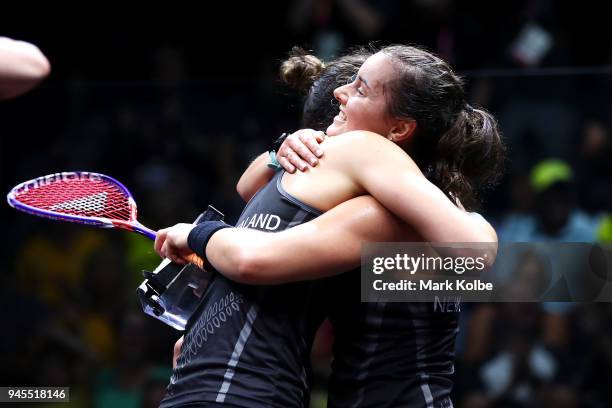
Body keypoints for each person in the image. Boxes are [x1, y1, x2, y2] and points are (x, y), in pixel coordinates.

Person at [155, 45, 504, 407]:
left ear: (399, 129)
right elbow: (249, 193)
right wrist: (280, 150)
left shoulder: (374, 185)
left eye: (360, 90)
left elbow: (252, 258)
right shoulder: (405, 203)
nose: (343, 93)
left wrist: (198, 234)